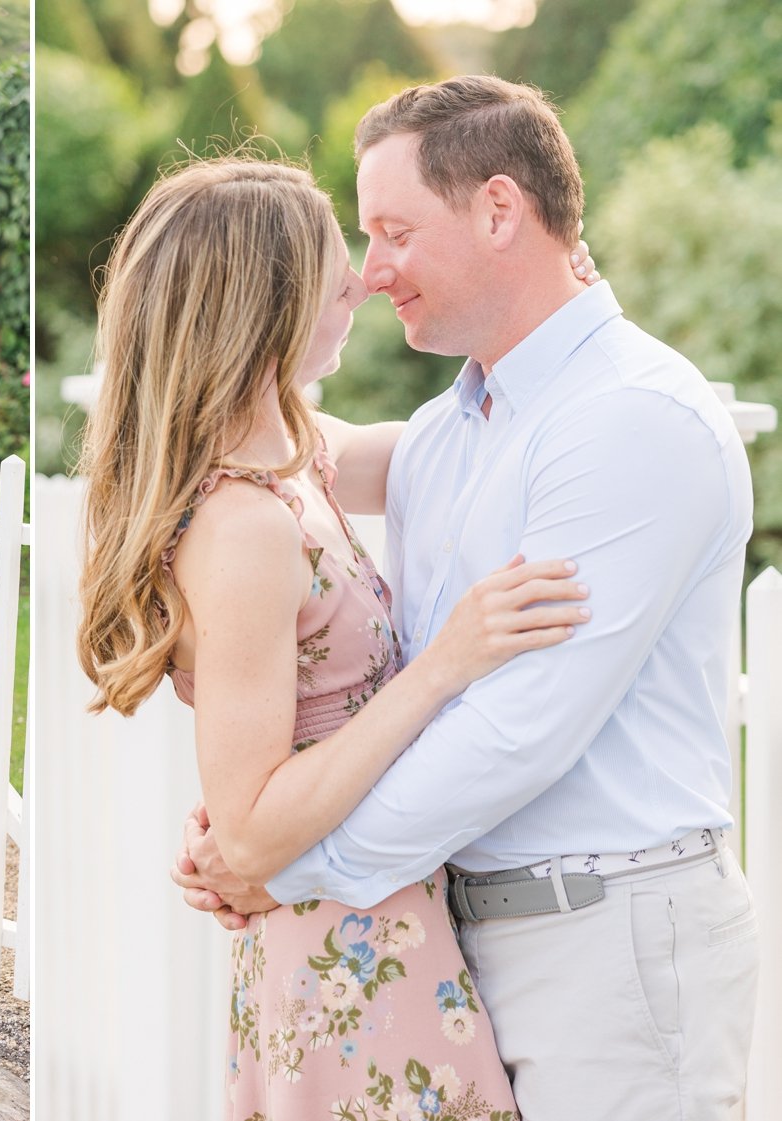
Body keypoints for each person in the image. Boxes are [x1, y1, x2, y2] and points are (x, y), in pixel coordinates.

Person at [175, 76, 761, 1120]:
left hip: (605, 945)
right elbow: (268, 461)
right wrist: (258, 822)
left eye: (393, 231)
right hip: (459, 928)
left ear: (499, 209)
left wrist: (288, 862)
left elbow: (511, 733)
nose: (371, 272)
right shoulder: (457, 429)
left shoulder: (627, 420)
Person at [75, 156, 598, 1118]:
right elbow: (250, 827)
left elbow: (465, 441)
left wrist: (559, 310)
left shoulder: (298, 455)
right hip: (343, 958)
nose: (361, 279)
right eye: (333, 265)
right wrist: (444, 665)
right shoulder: (244, 528)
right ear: (264, 302)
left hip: (384, 920)